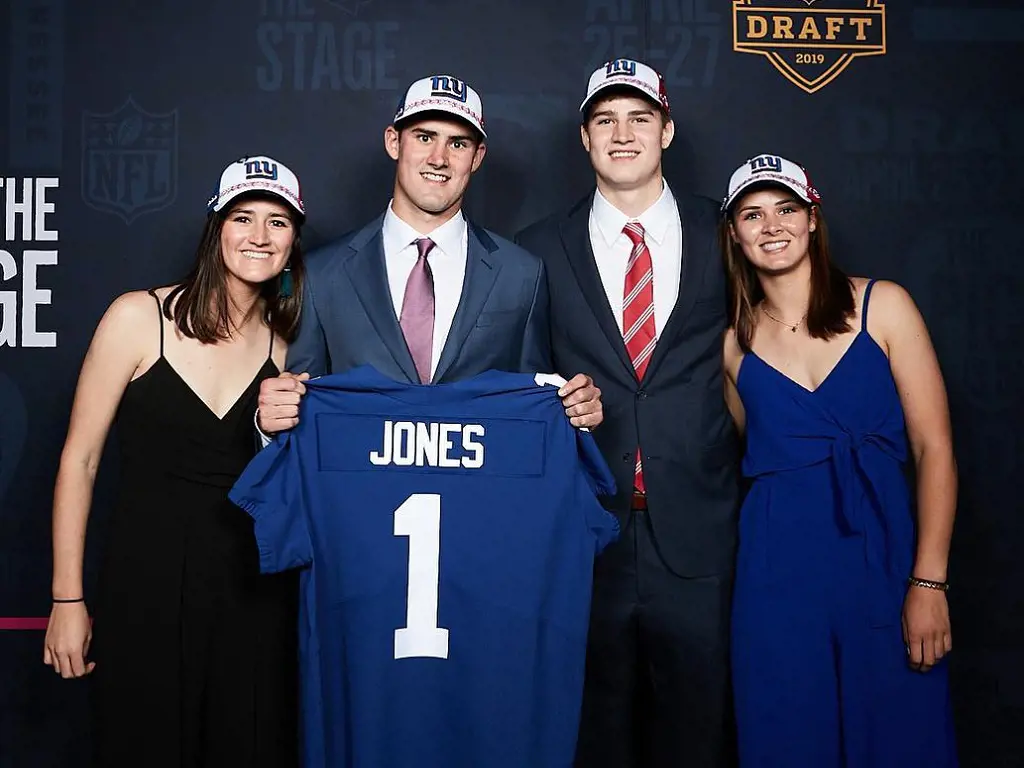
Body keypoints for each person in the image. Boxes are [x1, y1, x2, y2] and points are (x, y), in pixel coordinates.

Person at [43, 156, 306, 767]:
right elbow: (79, 462)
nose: (260, 237)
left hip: (253, 596)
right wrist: (66, 600)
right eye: (243, 218)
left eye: (278, 223)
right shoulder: (137, 318)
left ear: (294, 243)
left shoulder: (290, 344)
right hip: (144, 587)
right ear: (216, 230)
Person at [515, 59, 740, 767]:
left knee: (700, 732)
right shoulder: (536, 248)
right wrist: (554, 399)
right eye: (605, 120)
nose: (622, 134)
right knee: (591, 732)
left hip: (700, 528)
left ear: (666, 129)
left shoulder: (727, 231)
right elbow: (518, 377)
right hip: (588, 531)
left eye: (639, 117)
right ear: (584, 138)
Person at [719, 153, 959, 766]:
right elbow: (753, 452)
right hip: (776, 575)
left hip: (879, 558)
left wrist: (928, 581)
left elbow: (935, 450)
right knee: (787, 736)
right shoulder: (734, 346)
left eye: (787, 209)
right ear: (734, 234)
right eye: (753, 213)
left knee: (900, 733)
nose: (772, 225)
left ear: (812, 220)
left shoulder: (884, 306)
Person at [255, 74, 603, 439]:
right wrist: (270, 424)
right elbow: (298, 404)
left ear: (477, 156)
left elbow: (532, 407)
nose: (439, 158)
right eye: (424, 137)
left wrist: (575, 413)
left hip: (476, 491)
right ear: (394, 142)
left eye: (458, 143)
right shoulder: (322, 273)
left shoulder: (521, 274)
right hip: (357, 490)